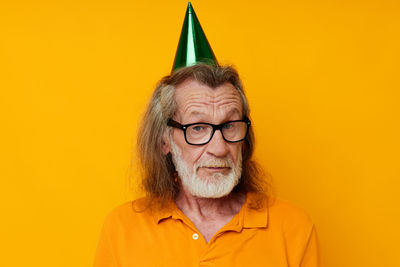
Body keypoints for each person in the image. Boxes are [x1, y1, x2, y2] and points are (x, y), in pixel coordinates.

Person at [94, 3, 320, 267]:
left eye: (229, 125)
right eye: (198, 128)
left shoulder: (293, 228)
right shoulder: (122, 229)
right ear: (164, 139)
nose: (220, 147)